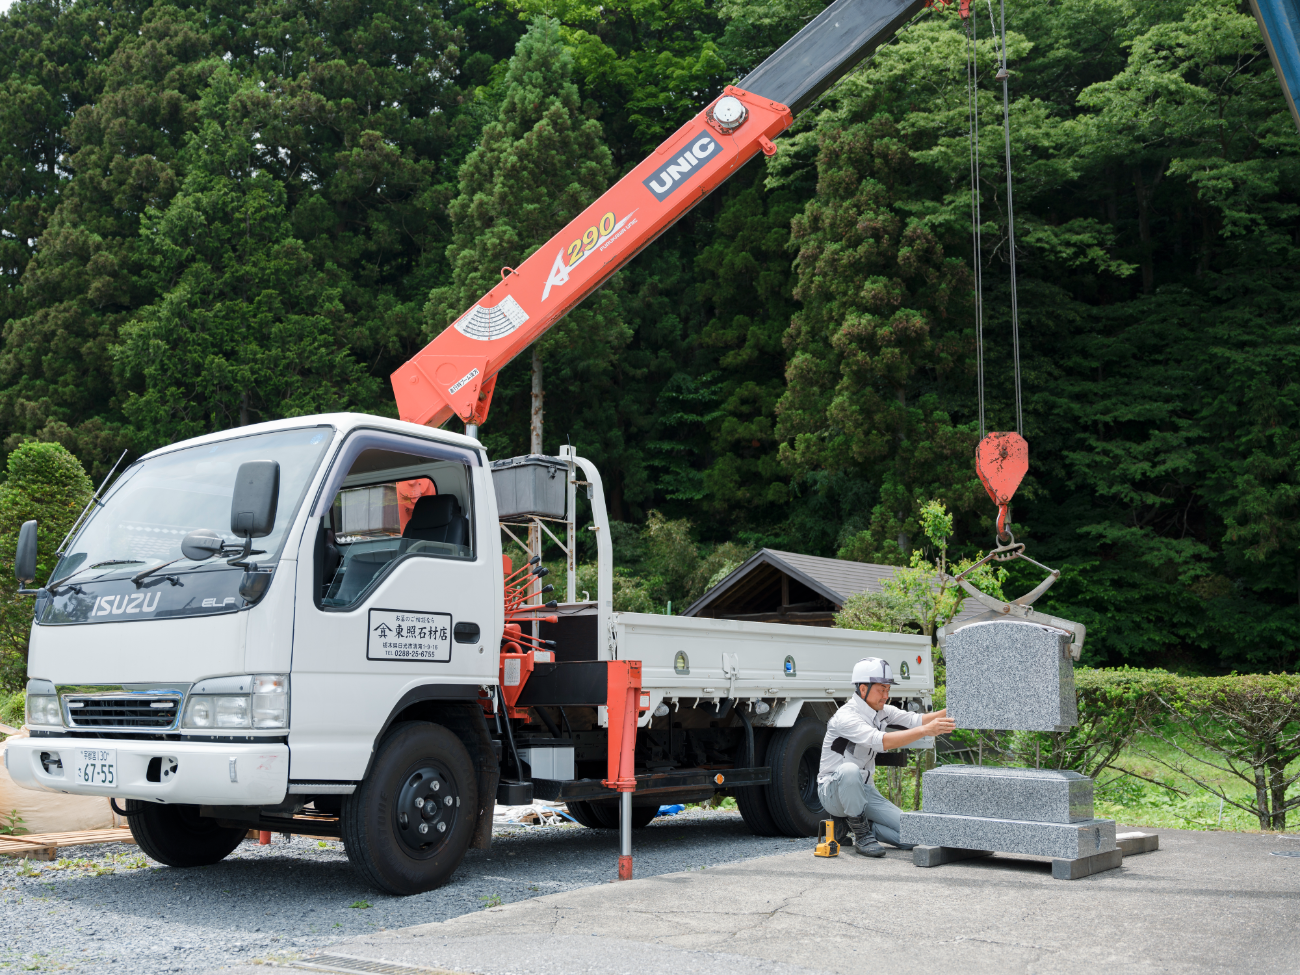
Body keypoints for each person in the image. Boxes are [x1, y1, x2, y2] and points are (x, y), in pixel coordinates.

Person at [817, 657, 956, 857]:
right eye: (881, 689)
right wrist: (927, 730)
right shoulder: (846, 717)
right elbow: (881, 740)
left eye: (888, 689)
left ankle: (856, 826)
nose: (886, 695)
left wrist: (954, 712)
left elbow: (916, 720)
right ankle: (863, 836)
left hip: (863, 791)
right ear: (863, 689)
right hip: (833, 790)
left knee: (915, 835)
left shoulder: (881, 711)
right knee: (849, 770)